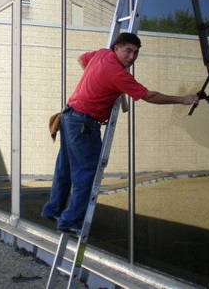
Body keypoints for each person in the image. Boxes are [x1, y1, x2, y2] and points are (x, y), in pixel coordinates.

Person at [42, 32, 200, 234]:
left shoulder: (101, 54)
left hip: (69, 116)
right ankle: (69, 222)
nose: (132, 57)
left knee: (64, 168)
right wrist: (182, 100)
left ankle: (53, 209)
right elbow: (149, 96)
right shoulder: (118, 74)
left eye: (136, 53)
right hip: (83, 124)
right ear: (116, 48)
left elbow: (82, 58)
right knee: (86, 175)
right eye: (128, 51)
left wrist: (98, 83)